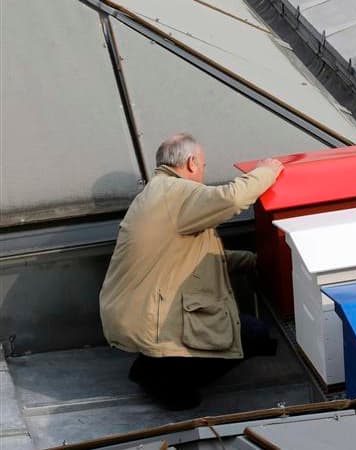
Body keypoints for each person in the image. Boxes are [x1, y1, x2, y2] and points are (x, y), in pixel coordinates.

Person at [99, 133, 284, 410]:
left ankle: (155, 366)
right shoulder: (178, 193)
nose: (204, 172)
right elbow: (231, 199)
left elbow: (195, 258)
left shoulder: (158, 193)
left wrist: (253, 261)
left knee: (243, 331)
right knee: (252, 334)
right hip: (153, 319)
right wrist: (268, 171)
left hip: (137, 312)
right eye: (204, 165)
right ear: (191, 163)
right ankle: (165, 380)